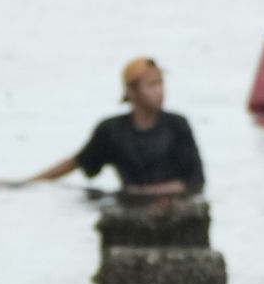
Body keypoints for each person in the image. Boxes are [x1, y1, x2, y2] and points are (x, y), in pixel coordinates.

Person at [25, 58, 202, 199]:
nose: (160, 91)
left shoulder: (177, 125)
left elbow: (196, 180)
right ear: (131, 92)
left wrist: (150, 192)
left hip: (174, 204)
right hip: (131, 203)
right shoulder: (112, 130)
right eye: (152, 85)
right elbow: (78, 161)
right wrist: (29, 183)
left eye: (161, 83)